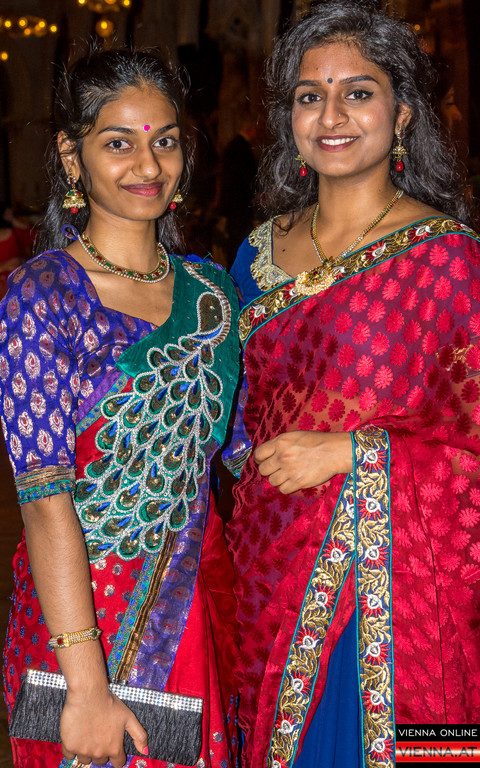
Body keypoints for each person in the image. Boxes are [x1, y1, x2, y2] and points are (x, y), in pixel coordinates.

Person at [225, 2, 480, 767]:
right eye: (311, 95)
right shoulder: (256, 255)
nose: (331, 115)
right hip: (269, 570)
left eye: (358, 92)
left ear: (401, 114)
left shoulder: (447, 260)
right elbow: (234, 419)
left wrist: (357, 454)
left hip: (396, 597)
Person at [0, 48, 240, 768]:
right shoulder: (44, 294)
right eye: (118, 143)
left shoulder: (211, 291)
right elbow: (44, 498)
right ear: (71, 156)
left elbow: (239, 452)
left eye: (164, 140)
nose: (148, 164)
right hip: (78, 630)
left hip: (190, 610)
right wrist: (86, 686)